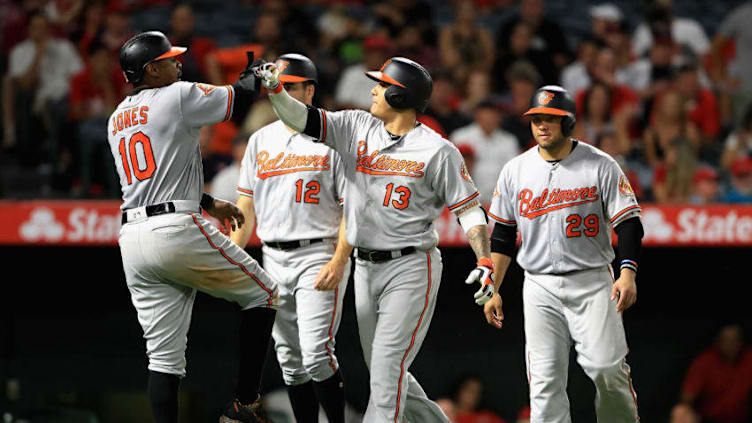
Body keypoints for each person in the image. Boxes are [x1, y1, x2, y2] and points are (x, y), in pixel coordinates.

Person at [256, 56, 495, 422]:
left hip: (411, 265)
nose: (373, 89)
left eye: (382, 85)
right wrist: (275, 90)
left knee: (384, 373)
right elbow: (301, 118)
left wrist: (484, 258)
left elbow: (469, 209)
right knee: (388, 371)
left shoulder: (437, 149)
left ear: (401, 95)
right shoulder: (355, 126)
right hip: (366, 267)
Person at [108, 31, 278, 423]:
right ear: (151, 69)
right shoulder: (176, 94)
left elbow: (149, 182)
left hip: (133, 236)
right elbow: (239, 98)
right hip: (174, 230)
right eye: (169, 59)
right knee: (265, 293)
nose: (178, 63)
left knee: (163, 358)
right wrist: (254, 70)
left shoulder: (117, 118)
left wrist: (208, 202)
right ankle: (244, 406)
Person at [484, 85, 642, 422]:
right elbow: (502, 235)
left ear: (568, 122)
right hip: (539, 284)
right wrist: (492, 288)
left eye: (551, 119)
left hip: (592, 281)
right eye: (537, 118)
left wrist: (627, 271)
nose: (542, 125)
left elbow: (629, 223)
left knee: (605, 369)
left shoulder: (599, 164)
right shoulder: (516, 169)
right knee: (544, 383)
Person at [231, 54, 351, 423]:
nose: (278, 91)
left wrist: (339, 260)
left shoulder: (333, 136)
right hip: (272, 257)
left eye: (290, 85)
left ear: (310, 90)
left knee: (316, 354)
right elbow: (244, 207)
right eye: (275, 85)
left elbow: (352, 210)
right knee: (291, 362)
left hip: (319, 252)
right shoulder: (259, 140)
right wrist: (230, 259)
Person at [450, 98, 519, 203]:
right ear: (477, 116)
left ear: (499, 118)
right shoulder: (460, 137)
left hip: (498, 202)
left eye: (492, 115)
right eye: (485, 116)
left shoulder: (509, 141)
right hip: (466, 201)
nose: (489, 120)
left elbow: (513, 176)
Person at [681, 324, 752, 423]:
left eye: (735, 340)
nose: (730, 344)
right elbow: (687, 398)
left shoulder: (749, 359)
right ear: (717, 342)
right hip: (709, 419)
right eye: (726, 340)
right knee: (680, 412)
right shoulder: (705, 361)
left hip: (742, 419)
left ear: (741, 342)